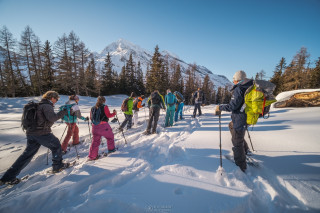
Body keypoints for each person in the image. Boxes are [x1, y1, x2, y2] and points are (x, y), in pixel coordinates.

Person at [0, 91, 68, 184]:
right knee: (56, 145)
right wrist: (63, 112)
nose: (56, 101)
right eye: (56, 99)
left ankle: (8, 177)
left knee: (26, 155)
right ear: (52, 97)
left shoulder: (39, 105)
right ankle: (58, 166)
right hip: (41, 133)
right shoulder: (47, 105)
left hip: (31, 133)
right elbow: (52, 118)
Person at [215, 70, 253, 172]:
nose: (233, 81)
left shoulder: (239, 89)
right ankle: (246, 151)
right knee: (232, 127)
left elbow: (233, 106)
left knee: (237, 141)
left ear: (237, 79)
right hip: (246, 117)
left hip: (240, 118)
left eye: (234, 79)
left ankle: (241, 166)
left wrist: (220, 107)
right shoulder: (249, 87)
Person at [88, 96, 117, 160]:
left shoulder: (93, 108)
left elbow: (91, 118)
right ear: (104, 101)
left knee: (95, 141)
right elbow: (108, 115)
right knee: (110, 137)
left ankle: (92, 156)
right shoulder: (104, 107)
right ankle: (111, 150)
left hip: (94, 126)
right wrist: (114, 113)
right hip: (103, 126)